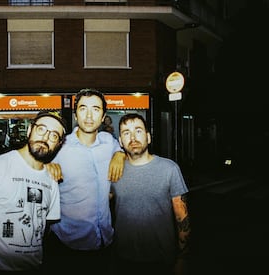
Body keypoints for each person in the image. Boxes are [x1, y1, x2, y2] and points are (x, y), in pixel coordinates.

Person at [0, 111, 67, 275]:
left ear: (58, 144)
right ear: (30, 130)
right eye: (41, 129)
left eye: (54, 135)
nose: (45, 138)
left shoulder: (52, 179)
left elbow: (44, 226)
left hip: (33, 267)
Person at [42, 88, 126, 274]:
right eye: (82, 108)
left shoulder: (109, 141)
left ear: (103, 116)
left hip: (104, 242)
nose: (89, 115)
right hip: (67, 245)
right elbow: (35, 167)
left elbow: (123, 151)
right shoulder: (59, 146)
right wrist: (46, 168)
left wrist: (120, 154)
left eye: (95, 109)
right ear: (75, 113)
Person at [111, 113, 191, 275]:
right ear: (120, 141)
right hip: (123, 258)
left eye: (138, 131)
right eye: (126, 133)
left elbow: (182, 219)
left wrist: (182, 259)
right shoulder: (113, 171)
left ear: (148, 137)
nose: (133, 137)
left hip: (162, 259)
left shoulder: (169, 169)